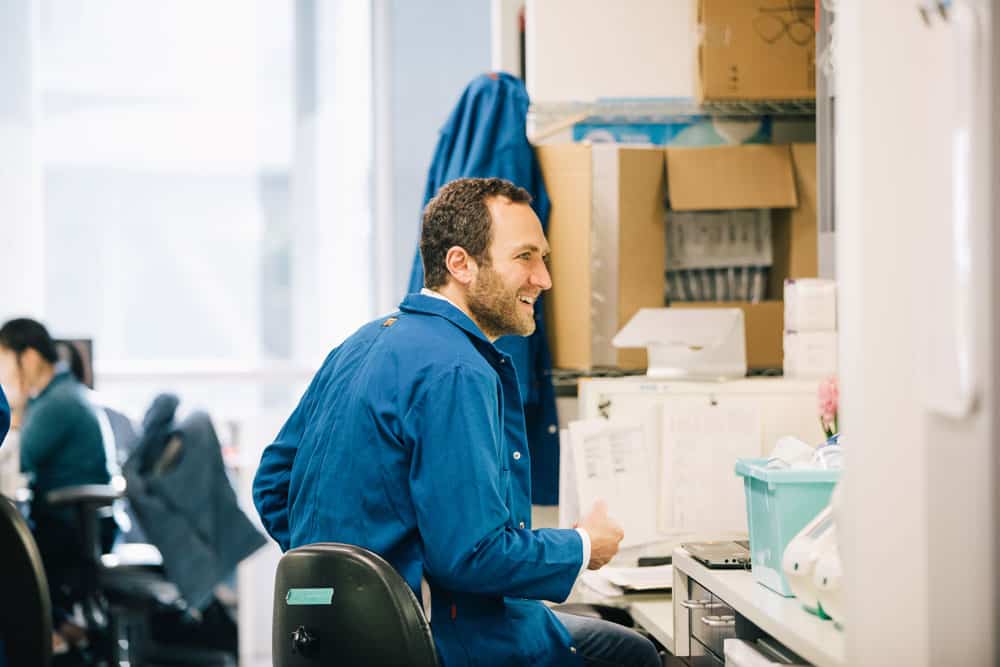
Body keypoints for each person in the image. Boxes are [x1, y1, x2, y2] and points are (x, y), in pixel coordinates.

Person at [253, 178, 661, 666]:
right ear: (460, 264)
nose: (543, 278)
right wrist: (581, 546)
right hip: (437, 643)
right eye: (525, 257)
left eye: (544, 259)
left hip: (337, 640)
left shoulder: (361, 344)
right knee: (631, 654)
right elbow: (473, 555)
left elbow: (273, 483)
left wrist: (345, 589)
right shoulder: (456, 368)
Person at [0, 318, 110, 650]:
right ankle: (57, 632)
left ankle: (46, 637)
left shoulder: (56, 403)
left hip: (67, 530)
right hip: (73, 526)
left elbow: (21, 458)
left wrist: (16, 406)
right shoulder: (61, 394)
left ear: (28, 358)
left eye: (4, 362)